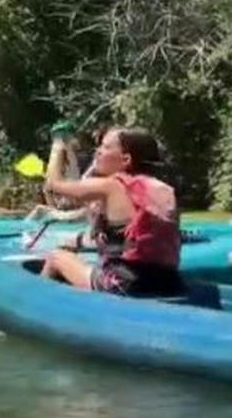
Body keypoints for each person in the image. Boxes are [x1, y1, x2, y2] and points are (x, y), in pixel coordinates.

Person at [38, 127, 184, 297]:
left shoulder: (111, 186)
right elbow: (132, 239)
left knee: (56, 258)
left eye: (105, 147)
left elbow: (55, 185)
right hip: (169, 282)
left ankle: (35, 304)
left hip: (124, 284)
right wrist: (78, 240)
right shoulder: (163, 190)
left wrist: (57, 147)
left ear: (126, 159)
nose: (97, 151)